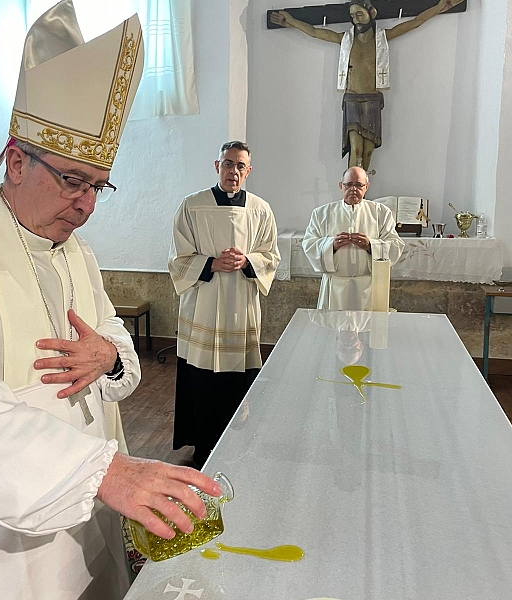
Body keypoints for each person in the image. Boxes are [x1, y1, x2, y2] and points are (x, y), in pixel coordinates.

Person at [0, 5, 220, 600]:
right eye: (72, 181)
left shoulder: (74, 252)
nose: (86, 205)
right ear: (17, 161)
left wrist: (107, 356)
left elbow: (116, 347)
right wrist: (103, 471)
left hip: (88, 530)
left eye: (97, 185)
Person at [169, 141, 279, 468]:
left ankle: (239, 444)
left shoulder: (261, 210)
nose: (233, 171)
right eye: (228, 164)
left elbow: (271, 256)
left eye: (240, 166)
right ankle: (203, 446)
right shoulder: (192, 206)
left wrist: (247, 261)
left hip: (240, 307)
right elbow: (177, 257)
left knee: (237, 377)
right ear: (216, 165)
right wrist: (211, 264)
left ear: (249, 171)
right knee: (202, 376)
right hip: (203, 303)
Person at [270, 0, 464, 170]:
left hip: (372, 98)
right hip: (352, 98)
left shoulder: (382, 38)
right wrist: (291, 21)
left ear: (372, 14)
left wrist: (440, 7)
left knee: (368, 151)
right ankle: (351, 189)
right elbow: (314, 32)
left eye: (359, 14)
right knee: (356, 147)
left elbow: (414, 23)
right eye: (353, 16)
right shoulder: (345, 40)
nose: (356, 19)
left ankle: (362, 190)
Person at [302, 166, 404, 310]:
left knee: (367, 330)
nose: (353, 189)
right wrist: (331, 245)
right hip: (335, 287)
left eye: (358, 185)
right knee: (333, 330)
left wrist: (371, 246)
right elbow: (309, 244)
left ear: (366, 187)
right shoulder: (322, 213)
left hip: (368, 286)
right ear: (340, 186)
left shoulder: (381, 212)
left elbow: (395, 245)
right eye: (348, 184)